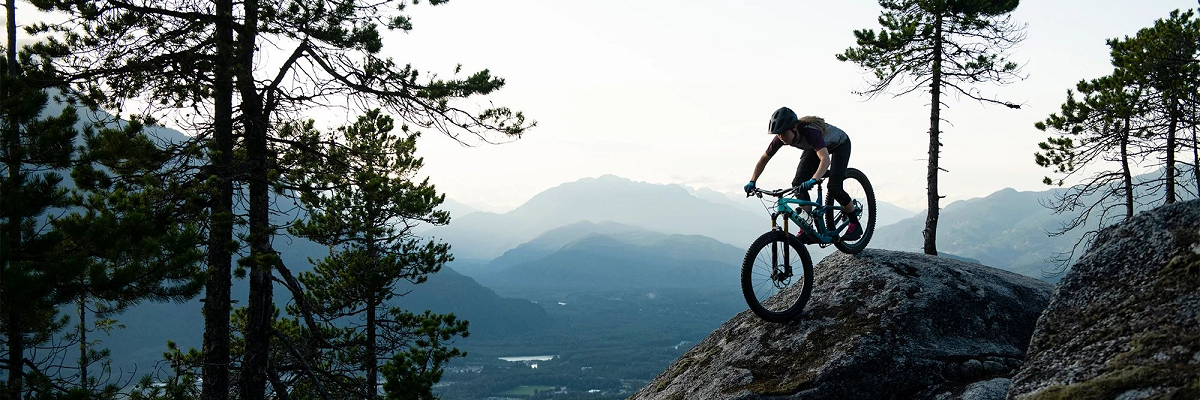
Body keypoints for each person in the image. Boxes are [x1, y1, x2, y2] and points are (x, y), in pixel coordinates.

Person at [743, 106, 862, 242]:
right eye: (778, 134)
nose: (781, 137)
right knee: (797, 185)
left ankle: (855, 223)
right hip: (814, 148)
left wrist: (814, 179)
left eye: (783, 133)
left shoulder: (810, 133)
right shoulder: (780, 139)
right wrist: (752, 181)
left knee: (834, 187)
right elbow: (764, 159)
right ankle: (808, 226)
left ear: (794, 127)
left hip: (840, 144)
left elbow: (825, 159)